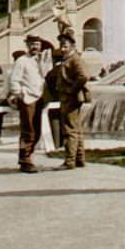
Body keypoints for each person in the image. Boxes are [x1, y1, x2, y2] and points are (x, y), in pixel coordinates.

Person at [8, 35, 52, 173]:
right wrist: (19, 94)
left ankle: (28, 157)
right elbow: (14, 79)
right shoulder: (22, 61)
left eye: (37, 44)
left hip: (39, 98)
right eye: (32, 44)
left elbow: (45, 77)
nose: (35, 47)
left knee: (37, 131)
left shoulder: (42, 60)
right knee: (28, 130)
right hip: (27, 98)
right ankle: (25, 161)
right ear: (27, 46)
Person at [52, 29, 89, 170]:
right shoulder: (68, 58)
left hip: (70, 98)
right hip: (69, 97)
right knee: (76, 128)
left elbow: (84, 76)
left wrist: (72, 89)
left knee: (69, 129)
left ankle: (70, 161)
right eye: (61, 45)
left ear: (72, 46)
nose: (62, 48)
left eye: (65, 45)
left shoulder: (74, 59)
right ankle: (79, 158)